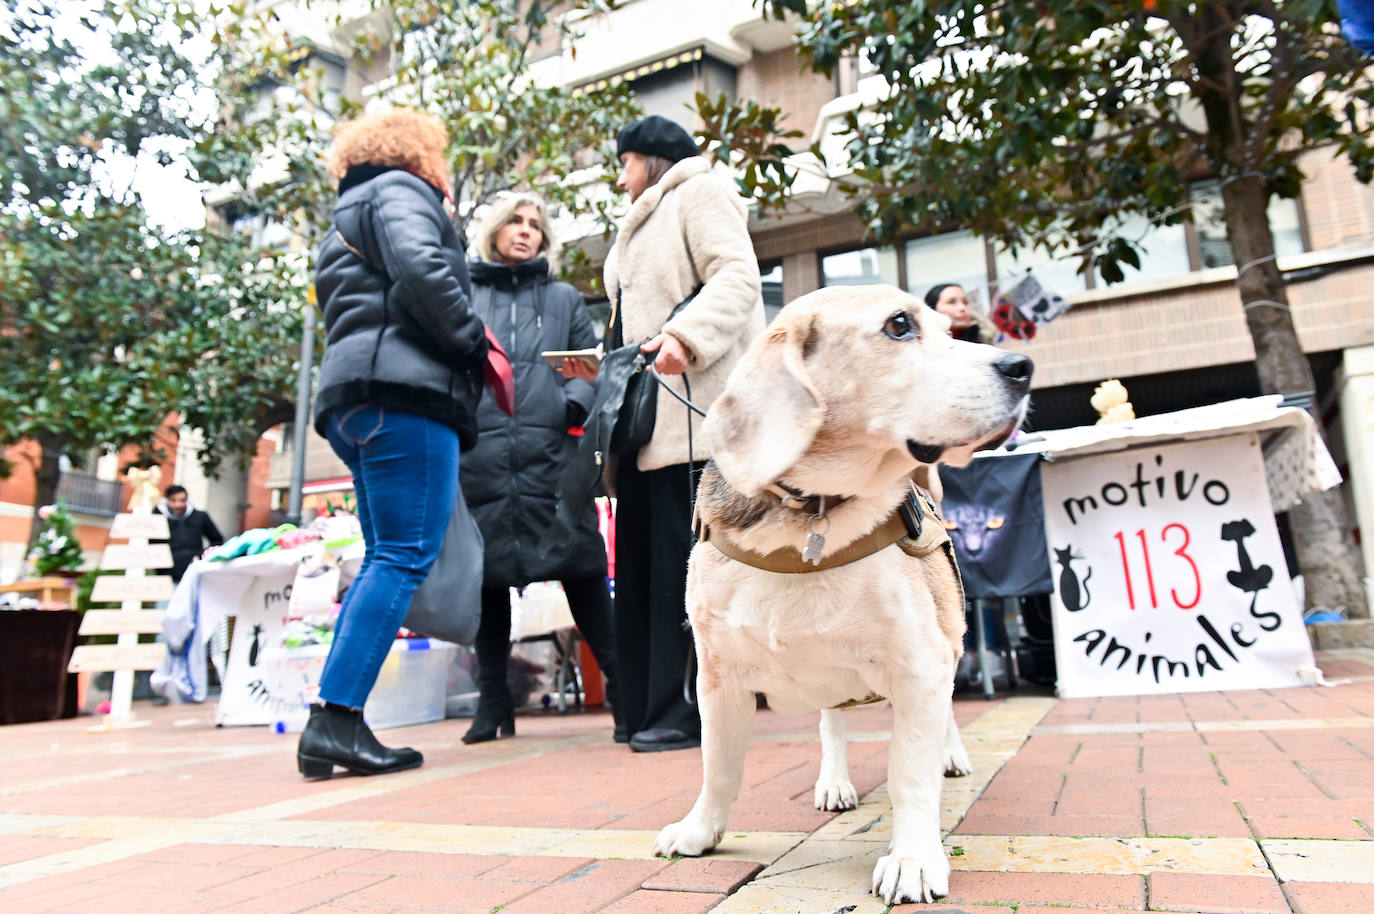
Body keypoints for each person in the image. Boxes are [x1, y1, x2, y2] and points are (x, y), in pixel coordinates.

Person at [299, 108, 488, 779]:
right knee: (403, 557)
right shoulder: (402, 192)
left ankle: (335, 718)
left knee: (387, 556)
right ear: (420, 151)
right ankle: (336, 719)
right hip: (406, 396)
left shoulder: (346, 214)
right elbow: (420, 267)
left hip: (353, 400)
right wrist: (471, 344)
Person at [594, 114, 764, 752]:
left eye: (625, 162)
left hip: (695, 421)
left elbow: (737, 276)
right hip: (643, 428)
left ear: (650, 158)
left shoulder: (701, 192)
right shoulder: (639, 219)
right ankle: (638, 708)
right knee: (638, 572)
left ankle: (680, 708)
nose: (619, 177)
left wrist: (686, 339)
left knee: (681, 573)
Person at [459, 193, 621, 744]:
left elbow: (586, 363)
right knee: (487, 578)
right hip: (480, 455)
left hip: (553, 454)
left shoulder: (564, 297)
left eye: (535, 225)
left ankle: (623, 691)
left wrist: (569, 406)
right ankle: (492, 702)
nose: (525, 232)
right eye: (515, 222)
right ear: (494, 230)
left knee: (581, 565)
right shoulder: (464, 291)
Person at [156, 485, 224, 584]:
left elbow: (217, 540)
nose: (178, 505)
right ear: (167, 500)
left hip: (195, 574)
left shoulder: (200, 517)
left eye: (182, 500)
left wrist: (203, 557)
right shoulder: (157, 518)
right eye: (173, 500)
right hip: (166, 576)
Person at [924, 282, 997, 344]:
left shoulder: (985, 340)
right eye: (951, 302)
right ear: (932, 309)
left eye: (965, 303)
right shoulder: (922, 347)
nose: (962, 308)